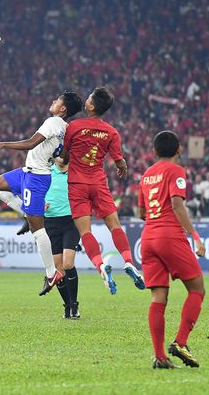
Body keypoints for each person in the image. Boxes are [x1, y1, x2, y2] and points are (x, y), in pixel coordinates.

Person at [0, 91, 83, 296]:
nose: (53, 101)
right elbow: (64, 157)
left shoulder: (53, 122)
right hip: (27, 172)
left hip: (36, 178)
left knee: (37, 228)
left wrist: (3, 144)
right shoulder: (64, 129)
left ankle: (51, 274)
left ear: (63, 109)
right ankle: (25, 212)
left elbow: (31, 143)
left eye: (57, 100)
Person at [59, 86, 145, 294]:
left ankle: (100, 266)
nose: (86, 100)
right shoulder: (111, 131)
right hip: (98, 183)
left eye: (88, 98)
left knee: (85, 231)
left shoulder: (74, 126)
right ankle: (128, 262)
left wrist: (63, 159)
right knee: (115, 226)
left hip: (77, 185)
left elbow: (65, 155)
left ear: (91, 105)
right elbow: (119, 161)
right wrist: (122, 167)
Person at [138, 131, 206, 369]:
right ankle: (180, 342)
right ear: (179, 150)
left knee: (158, 297)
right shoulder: (177, 171)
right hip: (169, 235)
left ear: (154, 152)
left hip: (148, 237)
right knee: (197, 289)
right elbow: (177, 205)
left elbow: (142, 213)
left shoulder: (146, 175)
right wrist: (195, 236)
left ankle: (160, 357)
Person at [43, 159, 81, 319]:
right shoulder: (46, 172)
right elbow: (36, 190)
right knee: (58, 269)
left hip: (71, 221)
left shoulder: (76, 172)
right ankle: (67, 305)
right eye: (58, 155)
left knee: (68, 263)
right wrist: (40, 204)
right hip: (51, 222)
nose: (61, 158)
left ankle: (74, 304)